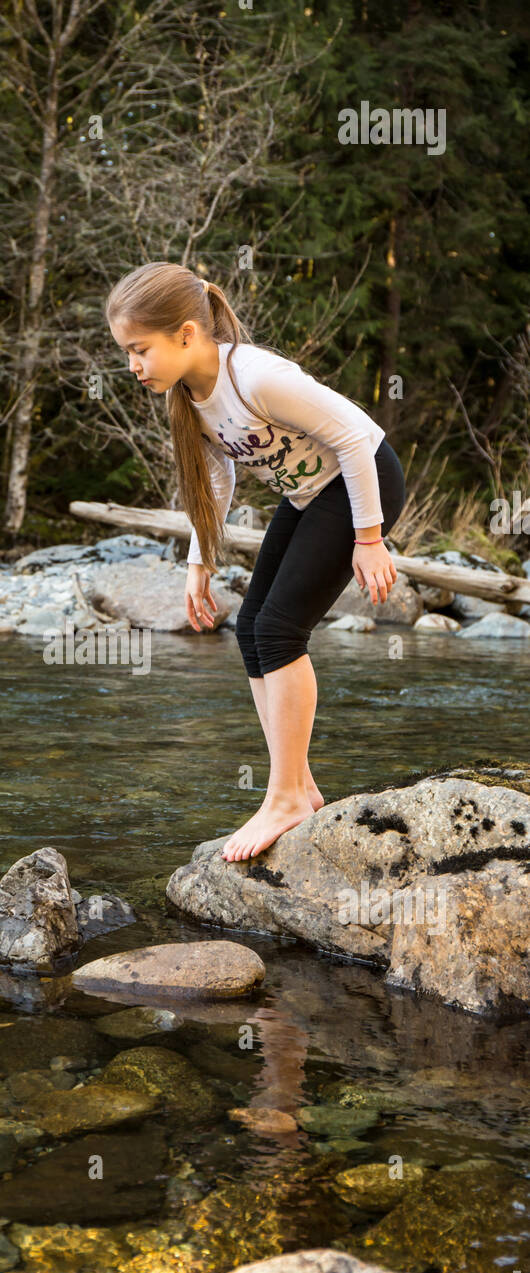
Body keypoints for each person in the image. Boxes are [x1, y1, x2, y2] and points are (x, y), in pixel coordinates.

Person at [106, 261, 406, 862]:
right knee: (251, 630)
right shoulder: (191, 395)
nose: (132, 366)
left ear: (186, 334)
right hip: (310, 494)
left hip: (361, 482)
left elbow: (352, 436)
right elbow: (214, 476)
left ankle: (285, 796)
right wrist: (200, 563)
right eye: (126, 353)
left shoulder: (257, 377)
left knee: (279, 629)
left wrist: (368, 538)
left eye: (139, 350)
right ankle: (300, 786)